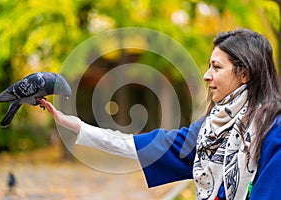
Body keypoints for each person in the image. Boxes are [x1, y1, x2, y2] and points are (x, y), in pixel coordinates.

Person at [38, 28, 281, 200]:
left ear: (245, 74)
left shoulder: (273, 131)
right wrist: (78, 126)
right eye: (209, 66)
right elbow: (142, 146)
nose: (207, 75)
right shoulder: (210, 130)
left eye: (216, 67)